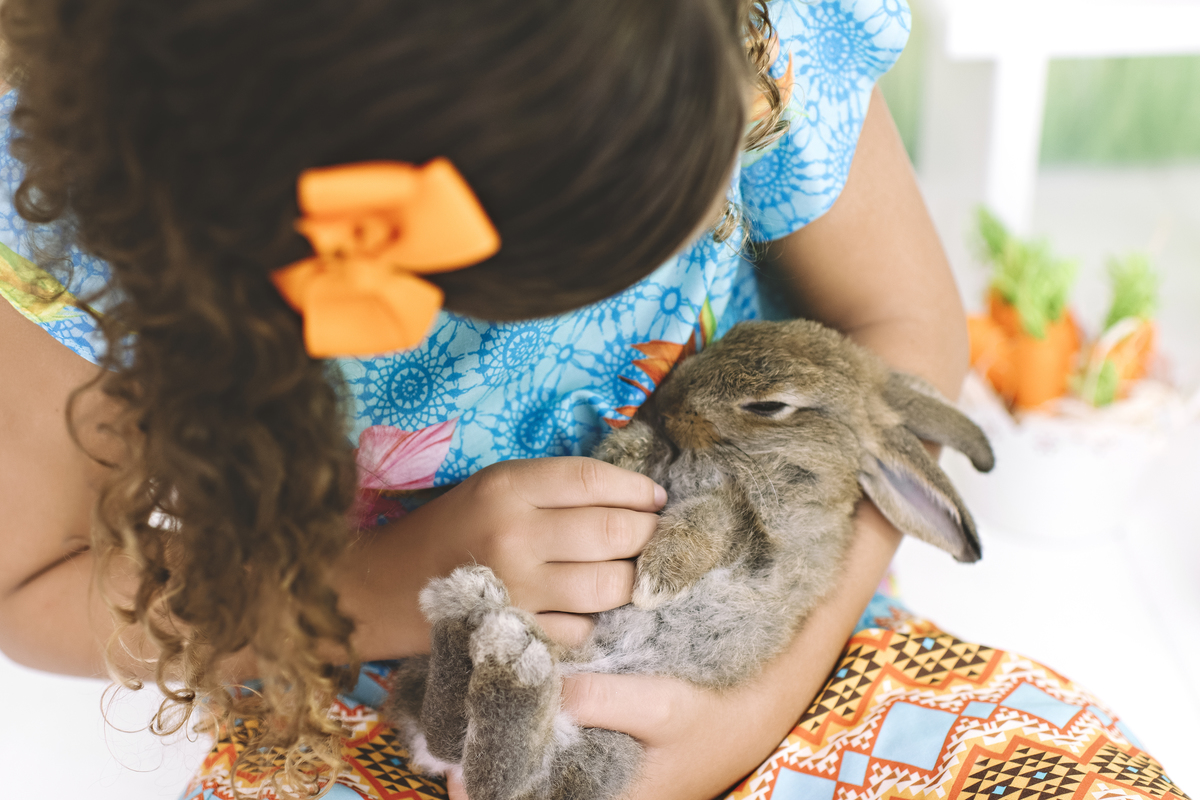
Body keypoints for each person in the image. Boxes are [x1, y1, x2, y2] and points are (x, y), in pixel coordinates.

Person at [0, 1, 1185, 799]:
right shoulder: (99, 204)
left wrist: (755, 700)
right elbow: (33, 585)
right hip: (375, 712)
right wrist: (390, 581)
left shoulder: (752, 29)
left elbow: (901, 337)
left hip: (786, 633)